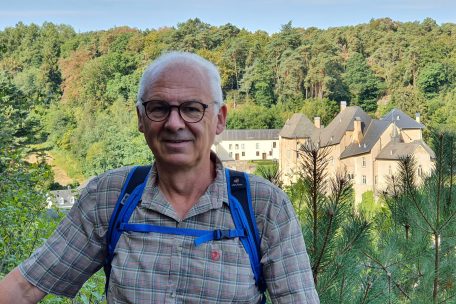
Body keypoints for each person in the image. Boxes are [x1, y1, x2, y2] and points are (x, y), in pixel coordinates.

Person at [0, 52, 319, 303]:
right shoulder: (109, 197)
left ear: (219, 120)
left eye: (192, 109)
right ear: (141, 119)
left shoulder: (264, 207)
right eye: (158, 108)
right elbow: (26, 287)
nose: (174, 123)